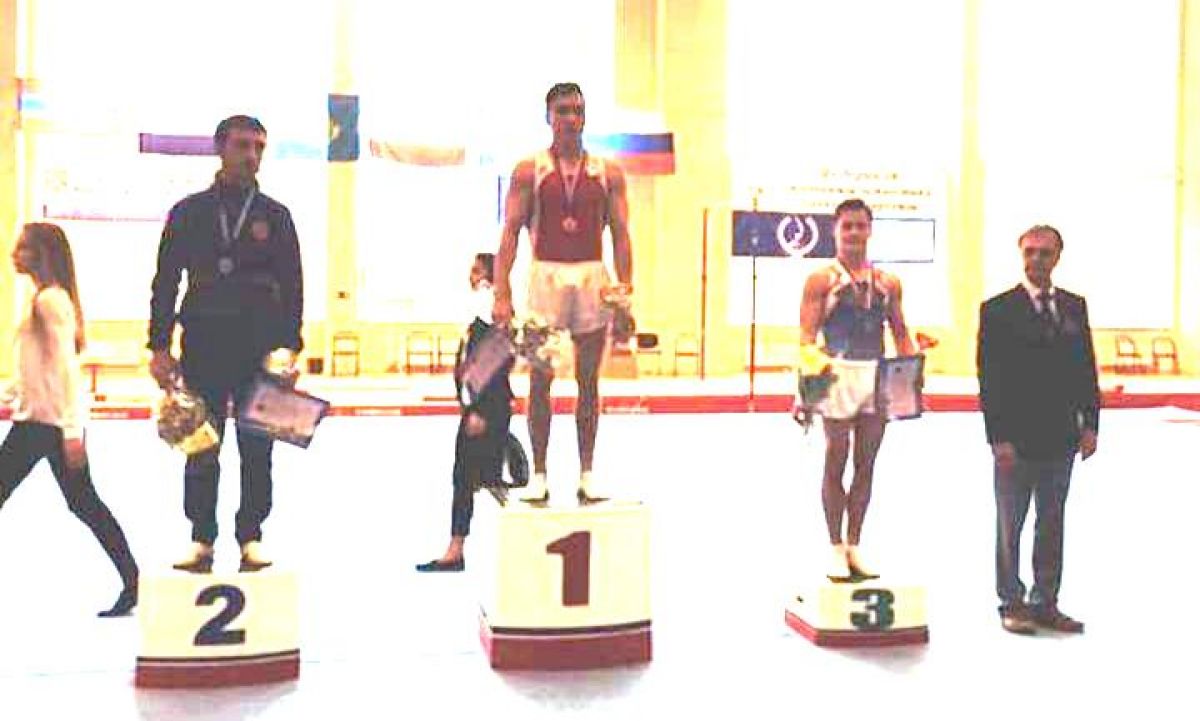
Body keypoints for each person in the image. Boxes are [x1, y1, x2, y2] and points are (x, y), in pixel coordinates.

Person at [148, 115, 304, 573]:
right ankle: (201, 538)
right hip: (203, 345)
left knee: (258, 447)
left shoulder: (276, 216)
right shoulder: (189, 212)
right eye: (242, 145)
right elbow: (165, 282)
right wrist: (159, 346)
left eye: (259, 147)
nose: (251, 155)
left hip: (260, 350)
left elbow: (293, 285)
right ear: (219, 148)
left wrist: (291, 347)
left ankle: (251, 535)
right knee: (200, 443)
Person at [492, 82, 633, 504]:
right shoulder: (529, 171)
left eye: (577, 110)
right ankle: (538, 473)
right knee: (541, 380)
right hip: (545, 279)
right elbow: (510, 234)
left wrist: (624, 295)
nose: (571, 118)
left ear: (585, 117)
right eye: (563, 111)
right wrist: (502, 293)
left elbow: (622, 235)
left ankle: (587, 472)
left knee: (589, 380)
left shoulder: (608, 173)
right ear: (548, 117)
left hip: (592, 277)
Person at [1, 223, 139, 616]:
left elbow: (65, 372)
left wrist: (72, 431)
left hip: (45, 426)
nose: (13, 254)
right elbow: (35, 371)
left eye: (23, 248)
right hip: (38, 421)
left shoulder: (51, 302)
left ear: (42, 254)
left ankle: (133, 580)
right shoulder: (43, 299)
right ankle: (132, 580)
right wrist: (9, 394)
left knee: (85, 504)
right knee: (84, 504)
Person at [977, 224, 1098, 635]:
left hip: (1061, 436)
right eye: (1030, 252)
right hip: (1015, 439)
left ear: (1058, 257)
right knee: (1010, 524)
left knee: (1052, 522)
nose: (1036, 260)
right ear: (1021, 255)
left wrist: (1091, 424)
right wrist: (998, 437)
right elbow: (990, 379)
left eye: (1045, 253)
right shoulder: (997, 310)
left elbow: (1086, 368)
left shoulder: (1074, 307)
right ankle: (1011, 602)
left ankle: (1046, 601)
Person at [794, 198, 915, 581]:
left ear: (870, 230)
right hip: (836, 374)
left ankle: (855, 545)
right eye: (847, 226)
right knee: (837, 457)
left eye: (860, 226)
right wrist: (806, 392)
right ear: (835, 230)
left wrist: (911, 378)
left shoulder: (888, 283)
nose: (854, 233)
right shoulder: (821, 280)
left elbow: (901, 333)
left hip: (876, 375)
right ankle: (834, 546)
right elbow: (807, 338)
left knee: (866, 462)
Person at [416, 253, 528, 573]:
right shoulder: (478, 317)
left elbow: (494, 367)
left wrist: (480, 411)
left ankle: (502, 547)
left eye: (477, 271)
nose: (471, 277)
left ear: (491, 278)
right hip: (476, 407)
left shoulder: (494, 317)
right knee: (471, 478)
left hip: (486, 409)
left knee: (481, 479)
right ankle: (458, 548)